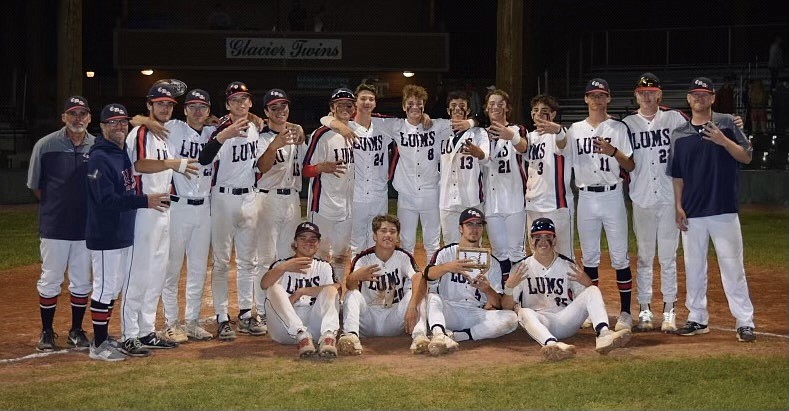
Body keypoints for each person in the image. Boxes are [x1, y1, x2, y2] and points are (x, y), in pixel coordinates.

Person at [667, 76, 756, 342]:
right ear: (688, 99)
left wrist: (722, 140)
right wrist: (678, 206)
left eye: (705, 94)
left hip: (723, 208)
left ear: (713, 98)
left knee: (732, 267)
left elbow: (747, 155)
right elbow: (677, 175)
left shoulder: (727, 123)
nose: (700, 99)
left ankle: (744, 321)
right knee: (694, 267)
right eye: (695, 95)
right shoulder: (679, 134)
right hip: (692, 211)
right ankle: (697, 318)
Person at [85, 103, 170, 361]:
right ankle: (98, 346)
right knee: (104, 289)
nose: (119, 126)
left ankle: (104, 337)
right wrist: (144, 201)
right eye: (112, 122)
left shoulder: (119, 152)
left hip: (122, 232)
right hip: (105, 233)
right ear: (102, 127)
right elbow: (105, 200)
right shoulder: (99, 157)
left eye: (122, 122)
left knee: (114, 288)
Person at [131, 89, 217, 342]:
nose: (198, 112)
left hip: (205, 207)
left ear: (210, 111)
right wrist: (145, 119)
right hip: (178, 205)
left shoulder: (214, 132)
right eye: (192, 107)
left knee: (199, 269)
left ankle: (191, 321)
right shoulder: (175, 127)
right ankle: (171, 322)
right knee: (172, 268)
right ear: (185, 110)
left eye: (203, 107)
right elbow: (137, 120)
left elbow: (247, 120)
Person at [122, 84, 199, 352]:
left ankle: (146, 331)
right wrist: (172, 163)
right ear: (149, 106)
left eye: (169, 104)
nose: (165, 108)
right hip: (144, 210)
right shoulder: (142, 131)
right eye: (160, 103)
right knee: (138, 272)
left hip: (163, 209)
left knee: (155, 273)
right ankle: (128, 333)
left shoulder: (162, 134)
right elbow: (140, 164)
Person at [502, 218, 632, 361]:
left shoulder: (568, 266)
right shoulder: (520, 268)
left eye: (548, 237)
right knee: (523, 312)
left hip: (566, 319)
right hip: (541, 321)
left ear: (555, 240)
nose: (543, 241)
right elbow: (506, 307)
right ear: (531, 240)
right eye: (538, 237)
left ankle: (603, 335)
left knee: (593, 290)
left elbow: (588, 299)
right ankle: (552, 345)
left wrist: (587, 281)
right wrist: (509, 287)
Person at [198, 81, 266, 340]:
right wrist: (222, 134)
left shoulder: (255, 128)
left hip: (250, 197)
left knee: (248, 261)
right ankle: (223, 317)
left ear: (250, 103)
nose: (240, 104)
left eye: (244, 99)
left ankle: (247, 314)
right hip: (224, 199)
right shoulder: (218, 128)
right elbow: (205, 159)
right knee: (222, 263)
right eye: (234, 100)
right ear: (227, 105)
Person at [621, 73, 689, 332]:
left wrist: (731, 120)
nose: (647, 96)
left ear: (659, 94)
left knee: (668, 257)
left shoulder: (673, 118)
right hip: (642, 197)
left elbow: (700, 124)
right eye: (642, 92)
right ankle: (645, 308)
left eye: (651, 92)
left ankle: (669, 309)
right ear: (636, 95)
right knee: (646, 257)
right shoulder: (627, 123)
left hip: (670, 197)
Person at [566, 78, 636, 332]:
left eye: (601, 95)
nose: (596, 100)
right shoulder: (574, 129)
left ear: (609, 98)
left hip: (612, 194)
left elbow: (630, 165)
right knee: (590, 257)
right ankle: (590, 309)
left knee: (619, 256)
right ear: (585, 99)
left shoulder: (618, 127)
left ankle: (626, 312)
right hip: (586, 196)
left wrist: (613, 151)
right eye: (592, 95)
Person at [27, 96, 95, 351]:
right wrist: (58, 206)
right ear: (63, 117)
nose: (77, 119)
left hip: (85, 227)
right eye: (72, 114)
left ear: (89, 118)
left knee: (81, 280)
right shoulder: (45, 145)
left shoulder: (96, 147)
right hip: (54, 225)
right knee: (51, 278)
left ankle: (76, 330)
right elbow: (36, 187)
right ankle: (47, 331)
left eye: (82, 114)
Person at [423, 207, 519, 356]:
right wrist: (449, 267)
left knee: (511, 319)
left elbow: (499, 304)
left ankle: (457, 337)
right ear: (460, 228)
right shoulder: (447, 252)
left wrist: (487, 289)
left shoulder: (492, 262)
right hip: (449, 310)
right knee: (432, 298)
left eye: (479, 225)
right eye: (470, 225)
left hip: (475, 313)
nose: (474, 229)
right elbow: (428, 274)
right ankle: (438, 335)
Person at [338, 215, 430, 355]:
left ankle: (419, 337)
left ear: (397, 236)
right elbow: (350, 285)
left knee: (418, 292)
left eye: (392, 231)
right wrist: (355, 276)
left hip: (394, 317)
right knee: (352, 295)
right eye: (383, 231)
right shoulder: (363, 258)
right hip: (368, 318)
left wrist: (412, 305)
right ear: (375, 236)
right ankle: (351, 336)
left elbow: (418, 278)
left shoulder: (404, 257)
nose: (388, 235)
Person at [254, 88, 307, 332]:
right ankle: (261, 310)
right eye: (273, 108)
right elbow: (262, 168)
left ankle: (283, 304)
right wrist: (273, 146)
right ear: (266, 112)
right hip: (267, 199)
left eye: (283, 106)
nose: (279, 111)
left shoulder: (296, 134)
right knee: (265, 257)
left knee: (287, 255)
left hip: (292, 200)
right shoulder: (261, 138)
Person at [260, 222, 341, 359]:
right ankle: (301, 335)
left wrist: (302, 291)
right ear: (295, 243)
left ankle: (328, 337)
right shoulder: (281, 265)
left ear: (318, 244)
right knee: (273, 288)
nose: (308, 242)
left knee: (331, 290)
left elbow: (337, 290)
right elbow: (264, 284)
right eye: (303, 238)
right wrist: (284, 268)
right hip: (284, 329)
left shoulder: (324, 267)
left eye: (313, 239)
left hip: (315, 328)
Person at [303, 88, 356, 282]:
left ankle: (336, 296)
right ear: (332, 108)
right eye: (339, 104)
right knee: (320, 255)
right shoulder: (321, 134)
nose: (344, 108)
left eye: (348, 105)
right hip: (323, 205)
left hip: (347, 207)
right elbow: (305, 170)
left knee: (341, 256)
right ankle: (317, 295)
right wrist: (321, 167)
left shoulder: (356, 131)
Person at [481, 88, 529, 279]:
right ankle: (504, 292)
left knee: (516, 251)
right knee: (499, 253)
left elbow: (524, 148)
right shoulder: (482, 135)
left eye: (500, 103)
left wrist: (510, 136)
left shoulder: (517, 130)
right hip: (492, 202)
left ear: (507, 108)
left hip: (514, 200)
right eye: (491, 103)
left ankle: (519, 293)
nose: (495, 107)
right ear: (486, 108)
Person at [525, 94, 574, 260]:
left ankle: (569, 286)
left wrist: (558, 130)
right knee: (536, 252)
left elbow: (562, 142)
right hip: (532, 203)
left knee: (563, 253)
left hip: (556, 205)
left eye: (544, 111)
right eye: (535, 110)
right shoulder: (530, 137)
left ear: (553, 114)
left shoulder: (560, 134)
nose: (539, 114)